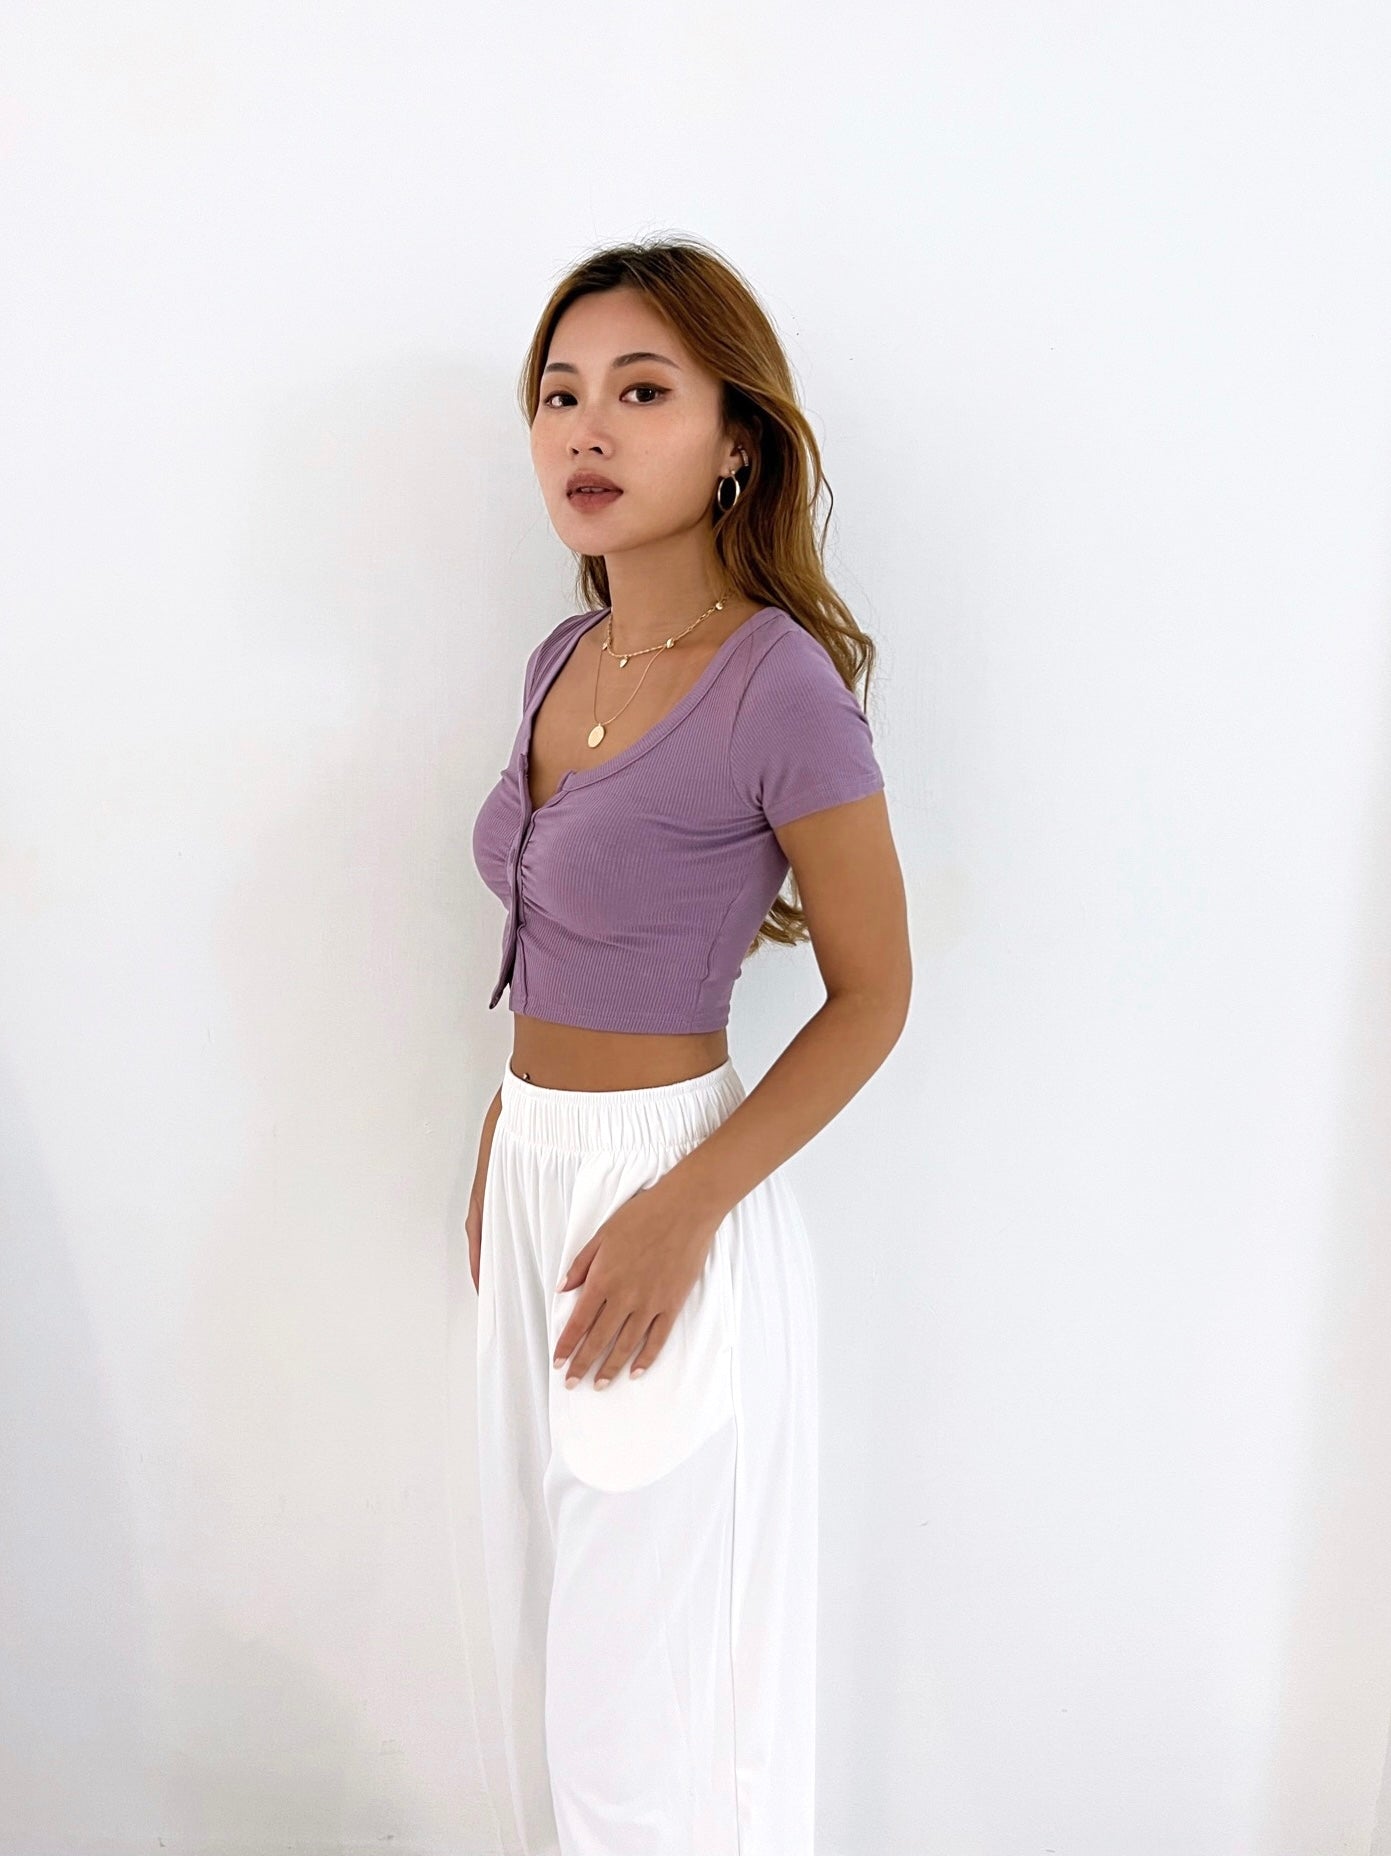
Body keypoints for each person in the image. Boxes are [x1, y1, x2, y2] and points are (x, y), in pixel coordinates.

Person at [467, 235, 911, 1856]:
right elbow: (543, 950)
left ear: (736, 440)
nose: (586, 429)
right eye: (560, 395)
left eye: (643, 392)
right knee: (537, 1656)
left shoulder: (778, 686)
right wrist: (501, 1146)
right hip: (538, 1186)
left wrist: (681, 1208)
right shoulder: (563, 657)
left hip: (668, 1197)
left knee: (642, 1717)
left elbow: (874, 994)